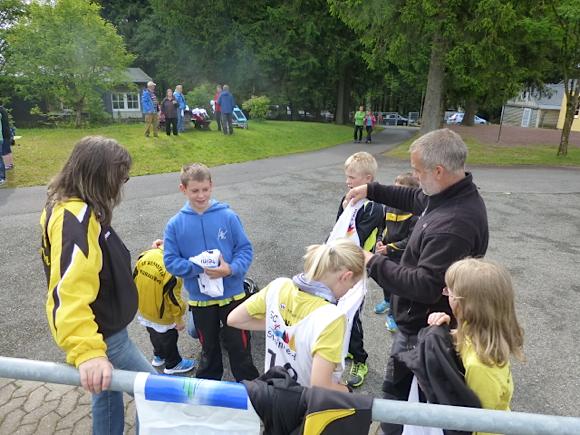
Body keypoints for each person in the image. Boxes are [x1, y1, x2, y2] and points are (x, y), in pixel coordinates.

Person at [345, 128, 488, 435]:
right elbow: (415, 197)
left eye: (417, 171)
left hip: (426, 332)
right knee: (398, 393)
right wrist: (370, 190)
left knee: (406, 399)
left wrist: (371, 261)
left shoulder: (455, 224)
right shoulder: (446, 193)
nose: (414, 177)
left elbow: (425, 285)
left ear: (439, 170)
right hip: (415, 324)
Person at [40, 136, 155, 435]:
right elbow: (68, 291)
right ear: (99, 177)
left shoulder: (68, 204)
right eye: (121, 178)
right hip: (106, 336)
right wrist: (89, 352)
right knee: (156, 393)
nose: (121, 186)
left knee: (106, 397)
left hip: (103, 329)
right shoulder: (74, 218)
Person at [227, 239, 366, 392]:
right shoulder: (331, 318)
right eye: (351, 286)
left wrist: (277, 325)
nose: (348, 292)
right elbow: (320, 386)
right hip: (302, 405)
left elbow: (234, 319)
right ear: (345, 277)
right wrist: (348, 391)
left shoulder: (279, 286)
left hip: (270, 393)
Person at [163, 163, 259, 382]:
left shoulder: (228, 216)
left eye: (205, 189)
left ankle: (251, 390)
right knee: (209, 349)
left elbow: (244, 249)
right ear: (183, 189)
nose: (201, 195)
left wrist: (231, 269)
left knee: (240, 346)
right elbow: (170, 261)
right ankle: (208, 392)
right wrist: (197, 267)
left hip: (233, 296)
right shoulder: (175, 225)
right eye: (195, 190)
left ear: (211, 186)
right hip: (200, 301)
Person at [428, 258, 524, 434]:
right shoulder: (477, 329)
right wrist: (448, 325)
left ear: (466, 306)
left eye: (449, 292)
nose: (446, 295)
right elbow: (463, 341)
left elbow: (481, 421)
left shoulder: (482, 367)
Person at [335, 152, 385, 388]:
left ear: (368, 179)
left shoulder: (374, 207)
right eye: (347, 176)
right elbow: (337, 229)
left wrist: (349, 209)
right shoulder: (348, 198)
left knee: (352, 314)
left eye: (352, 177)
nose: (348, 182)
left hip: (356, 269)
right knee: (335, 311)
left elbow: (356, 237)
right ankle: (340, 348)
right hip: (338, 265)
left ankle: (359, 359)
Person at [133, 244, 196, 375]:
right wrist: (178, 319)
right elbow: (174, 300)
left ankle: (158, 355)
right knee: (169, 338)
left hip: (144, 308)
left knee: (153, 333)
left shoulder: (146, 255)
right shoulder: (173, 271)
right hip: (162, 314)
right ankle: (173, 363)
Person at [374, 172, 419, 332]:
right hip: (386, 251)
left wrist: (390, 248)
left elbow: (411, 240)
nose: (396, 193)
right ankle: (387, 301)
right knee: (385, 279)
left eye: (401, 190)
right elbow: (381, 227)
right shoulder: (389, 206)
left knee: (397, 286)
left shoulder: (415, 213)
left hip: (402, 256)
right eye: (395, 189)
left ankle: (393, 315)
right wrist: (379, 240)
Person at [0, 103, 14, 176]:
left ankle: (7, 165)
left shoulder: (1, 111)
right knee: (8, 150)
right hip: (7, 132)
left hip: (4, 133)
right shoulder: (3, 109)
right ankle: (10, 164)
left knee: (4, 151)